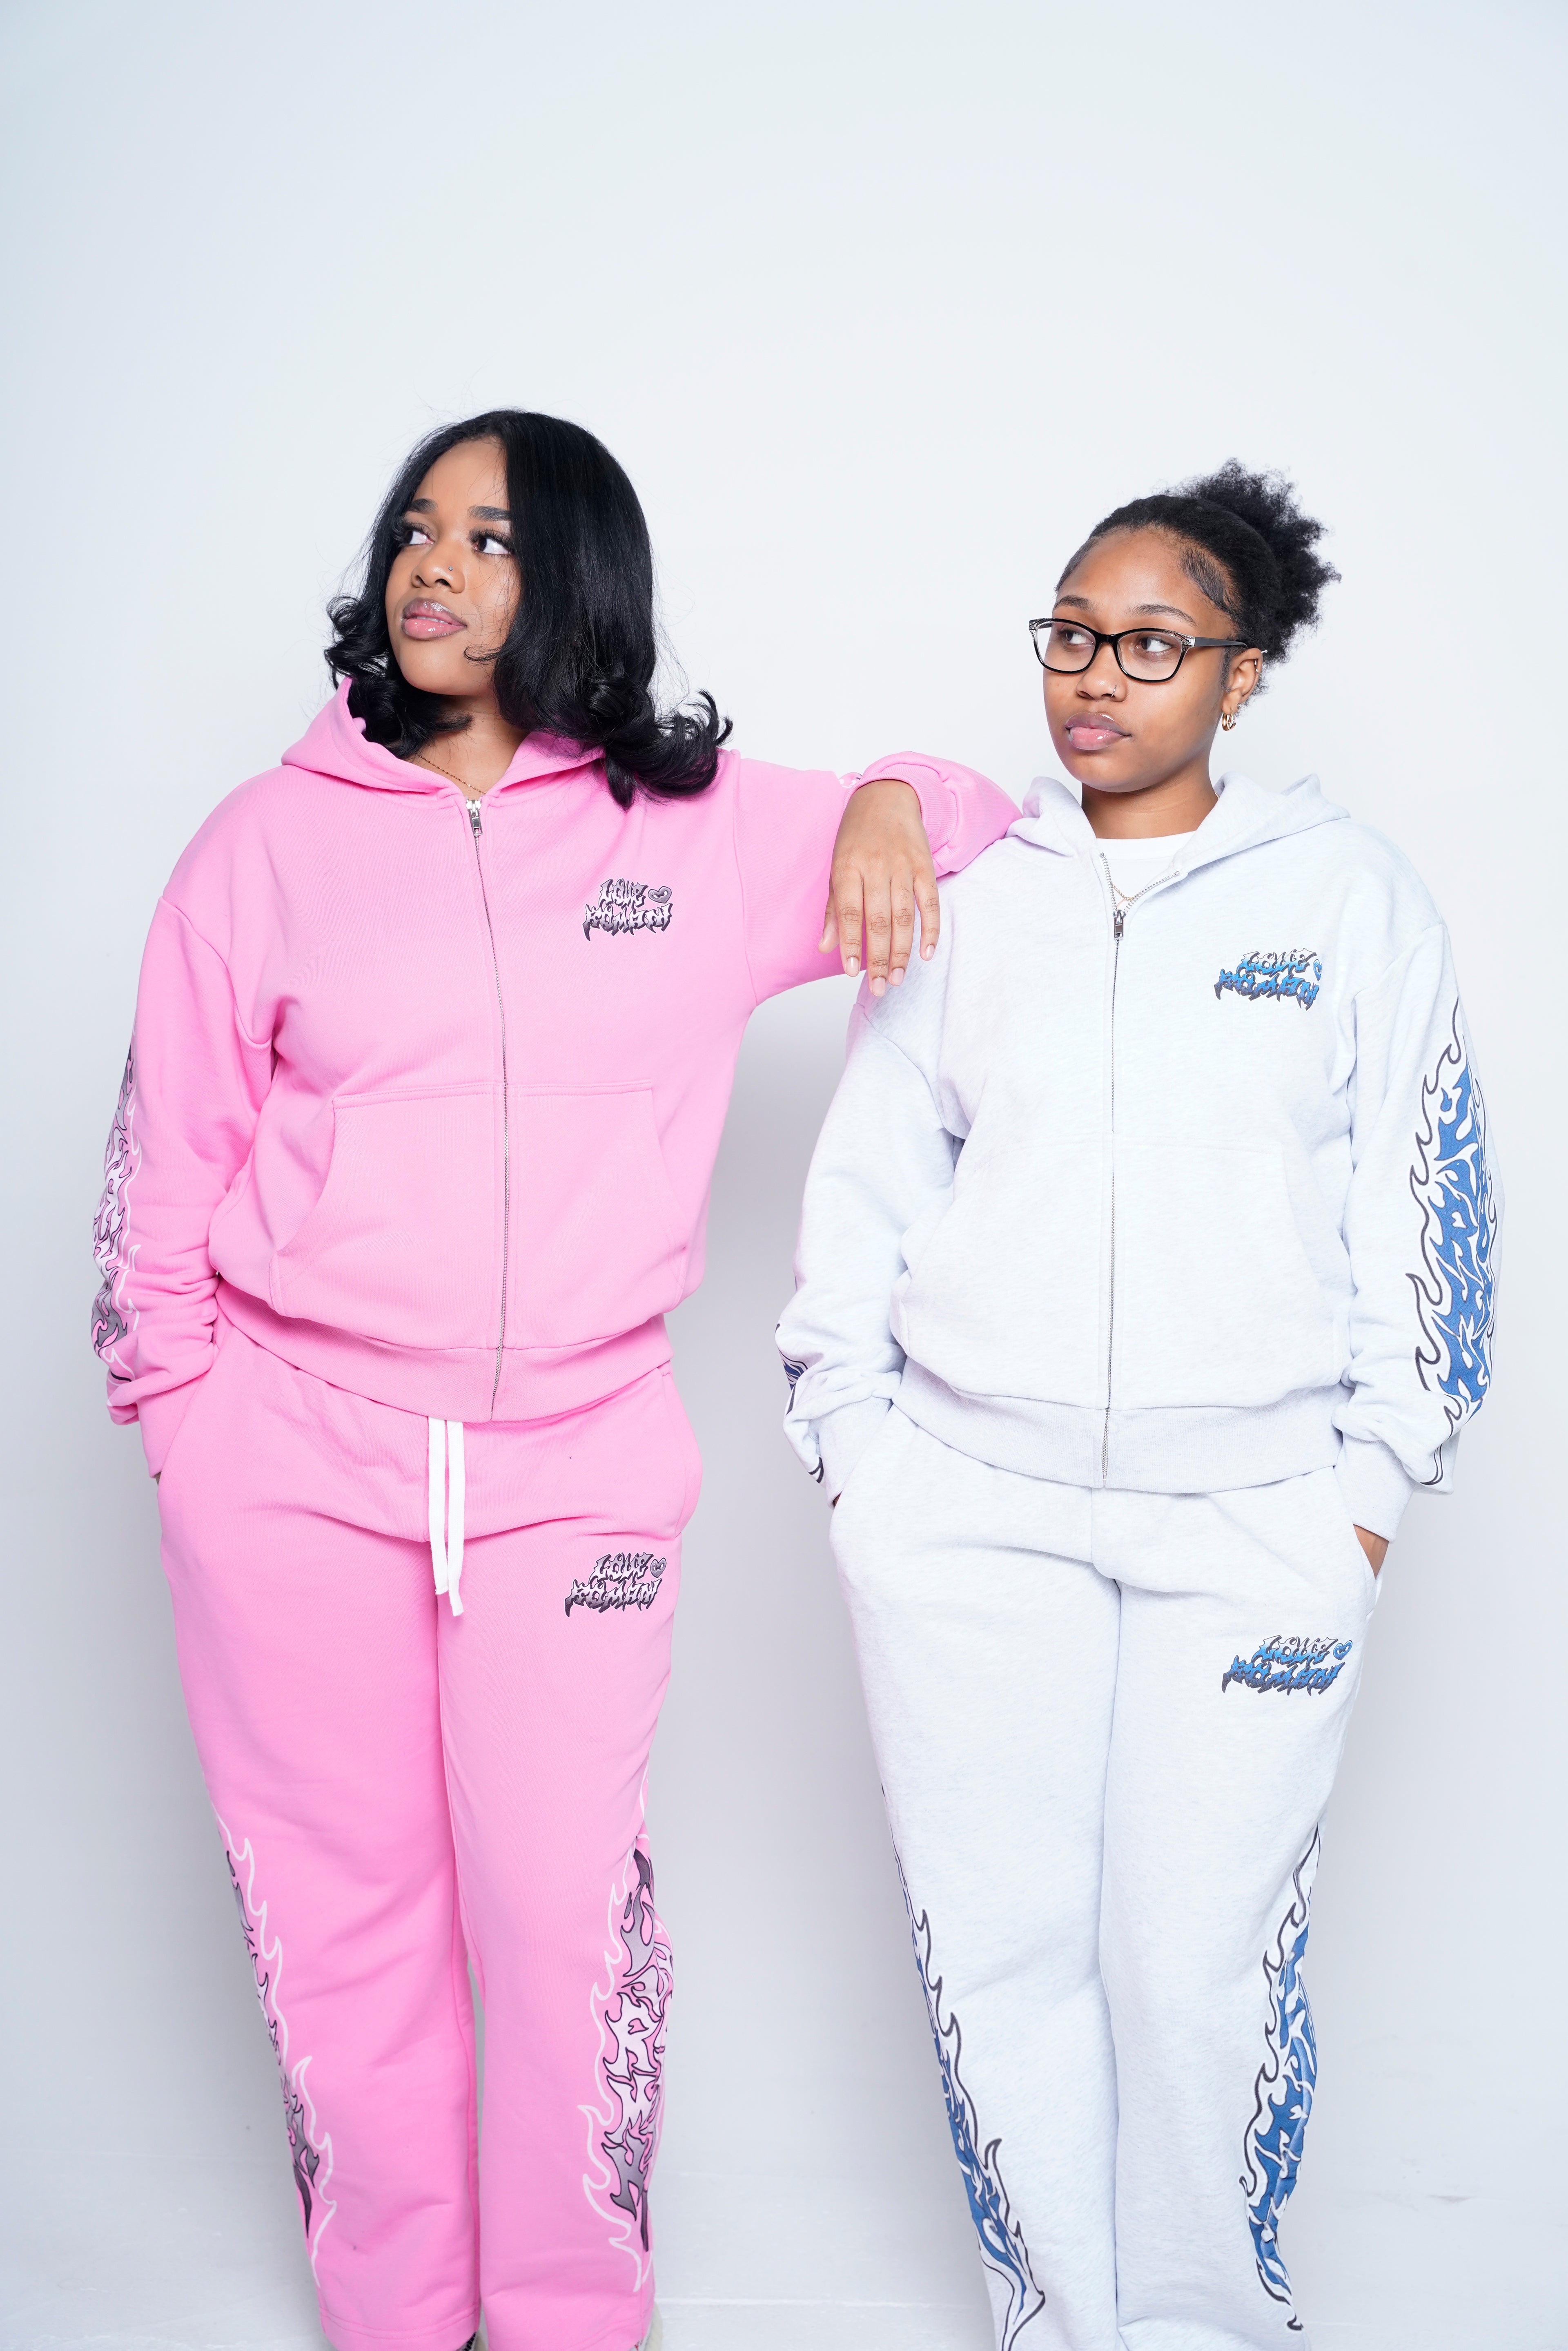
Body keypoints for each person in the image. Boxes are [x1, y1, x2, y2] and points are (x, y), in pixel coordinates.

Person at [90, 408, 1017, 2351]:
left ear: (578, 572)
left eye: (493, 537)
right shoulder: (265, 843)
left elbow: (973, 806)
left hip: (578, 1461)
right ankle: (394, 2313)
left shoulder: (689, 832)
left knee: (565, 1914)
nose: (435, 566)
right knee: (342, 1918)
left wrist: (877, 799)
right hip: (292, 1455)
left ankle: (573, 2319)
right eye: (416, 530)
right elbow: (166, 1164)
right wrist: (186, 1426)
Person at [778, 464, 1499, 2351]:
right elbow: (867, 1190)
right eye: (1074, 636)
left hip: (1254, 1519)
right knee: (1000, 1958)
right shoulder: (972, 897)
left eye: (1153, 645)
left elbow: (1424, 1207)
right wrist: (861, 1459)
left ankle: (1201, 2331)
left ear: (1242, 675)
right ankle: (1055, 2324)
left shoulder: (1349, 898)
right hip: (966, 1512)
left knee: (1195, 1971)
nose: (1096, 677)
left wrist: (1365, 1494)